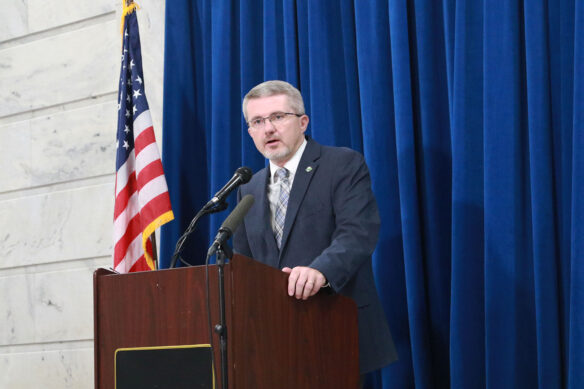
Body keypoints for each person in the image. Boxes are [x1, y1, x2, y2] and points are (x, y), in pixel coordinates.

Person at [233, 80, 397, 379]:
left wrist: (320, 271)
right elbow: (244, 263)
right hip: (272, 342)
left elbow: (357, 232)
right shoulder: (249, 188)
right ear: (250, 131)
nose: (268, 128)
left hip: (333, 323)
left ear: (302, 121)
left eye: (278, 117)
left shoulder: (342, 164)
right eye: (257, 121)